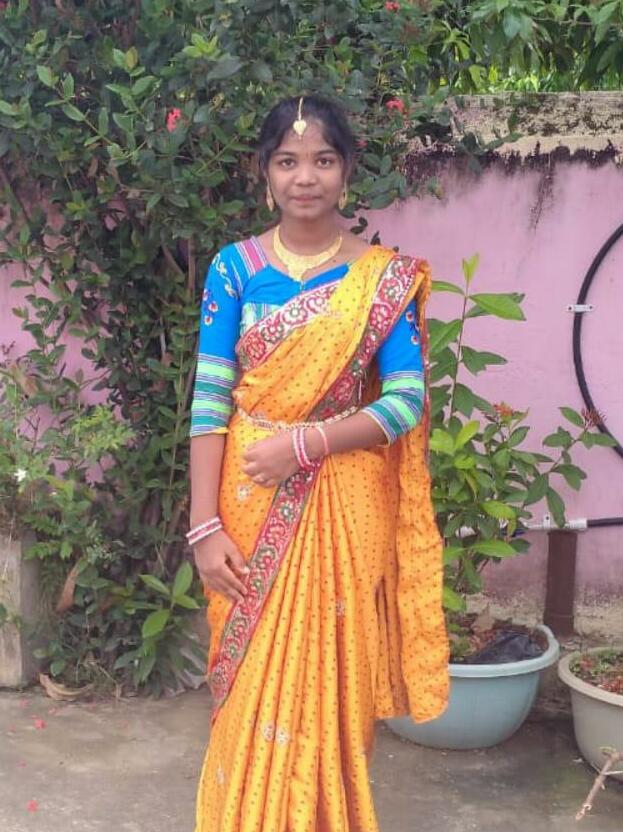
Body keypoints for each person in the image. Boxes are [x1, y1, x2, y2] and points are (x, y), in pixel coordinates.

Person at [188, 94, 449, 832]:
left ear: (347, 170)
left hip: (342, 506)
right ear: (264, 173)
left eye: (323, 160)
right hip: (246, 500)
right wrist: (203, 527)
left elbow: (404, 401)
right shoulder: (234, 269)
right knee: (249, 680)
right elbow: (209, 401)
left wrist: (307, 444)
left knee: (331, 681)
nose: (305, 177)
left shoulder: (382, 277)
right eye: (288, 161)